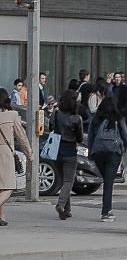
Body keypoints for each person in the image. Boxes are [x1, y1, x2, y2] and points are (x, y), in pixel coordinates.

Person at [87, 97, 127, 222]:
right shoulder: (118, 119)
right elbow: (125, 136)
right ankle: (106, 211)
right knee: (109, 183)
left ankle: (106, 210)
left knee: (105, 180)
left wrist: (90, 152)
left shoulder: (96, 119)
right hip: (113, 153)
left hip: (98, 152)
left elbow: (90, 136)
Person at [0, 88, 33, 226]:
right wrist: (29, 154)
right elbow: (22, 137)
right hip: (5, 153)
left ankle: (1, 217)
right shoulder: (12, 115)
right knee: (9, 187)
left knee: (1, 186)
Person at [51, 90, 83, 220]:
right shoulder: (76, 118)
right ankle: (61, 204)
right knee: (69, 180)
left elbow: (51, 127)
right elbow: (80, 138)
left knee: (64, 180)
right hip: (70, 150)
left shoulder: (57, 114)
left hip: (57, 149)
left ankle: (66, 210)